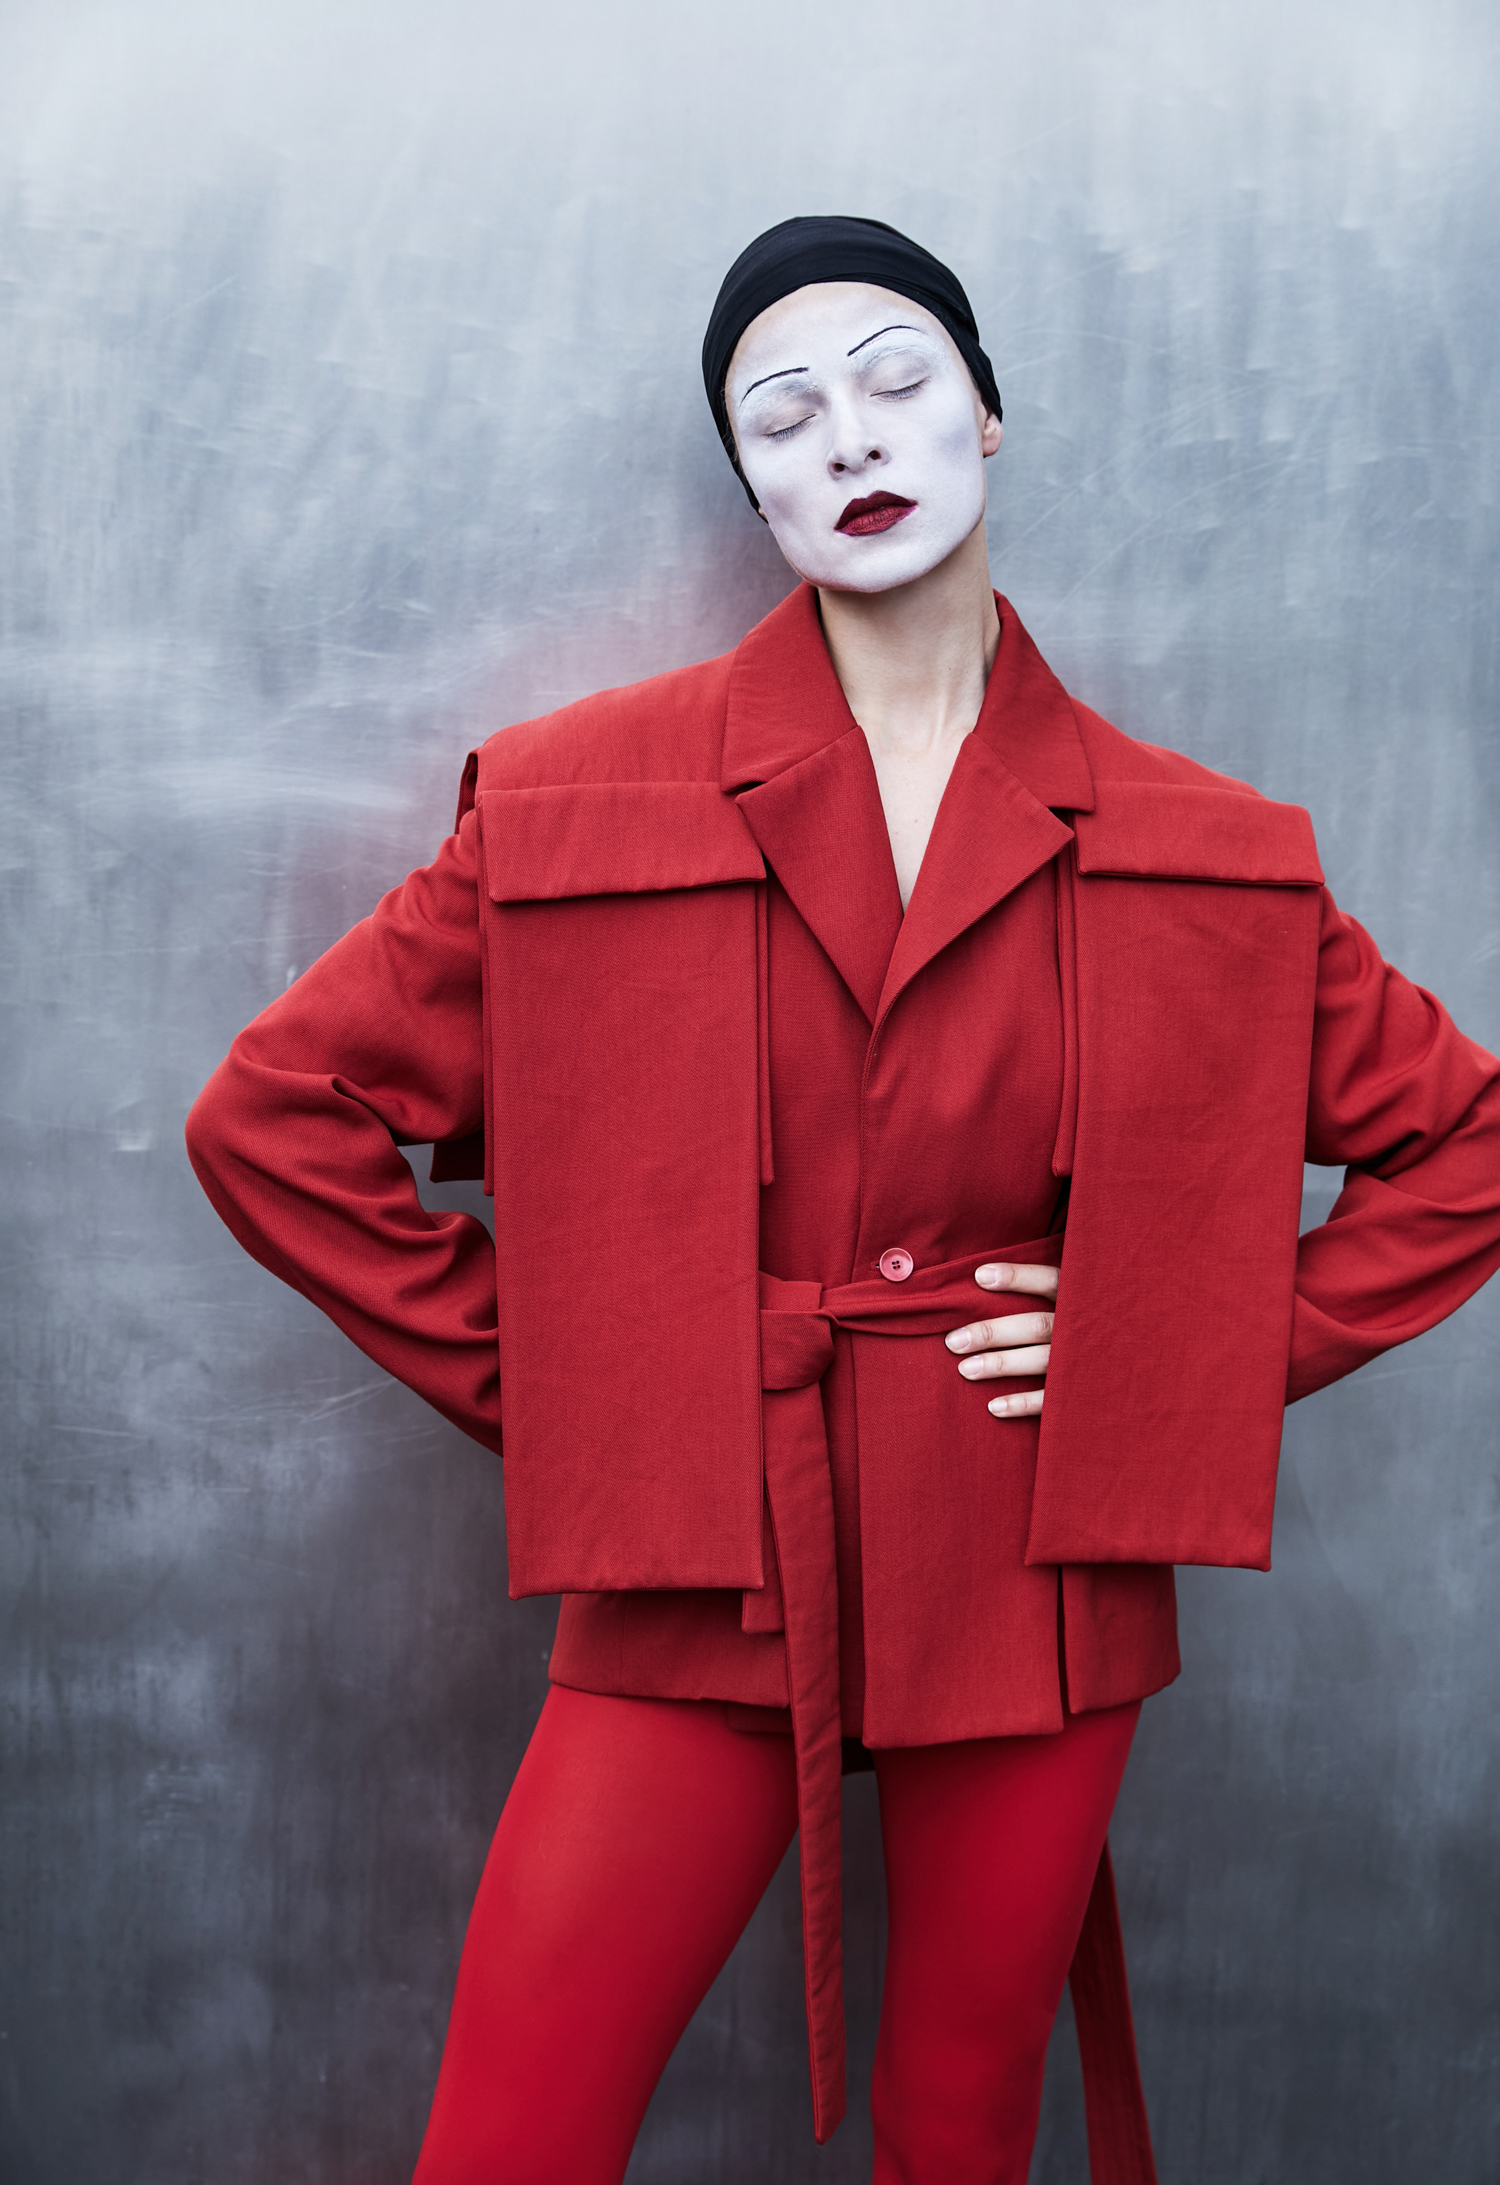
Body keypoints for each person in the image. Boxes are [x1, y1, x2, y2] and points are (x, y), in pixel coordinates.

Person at [185, 216, 1500, 2185]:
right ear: (750, 482)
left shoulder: (1201, 847)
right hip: (700, 1556)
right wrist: (580, 1390)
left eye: (895, 379)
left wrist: (1173, 1353)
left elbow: (1465, 1144)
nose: (848, 439)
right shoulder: (571, 799)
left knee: (960, 2132)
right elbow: (270, 1114)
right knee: (511, 2136)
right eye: (779, 415)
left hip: (1036, 1556)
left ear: (988, 409)